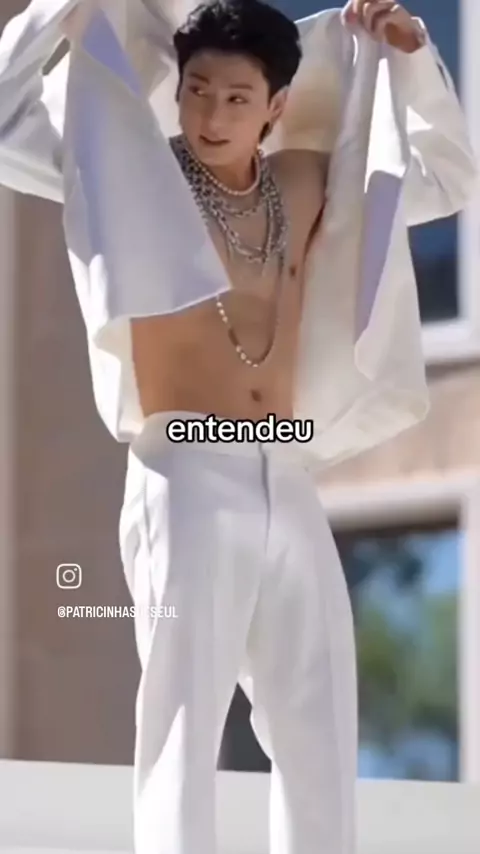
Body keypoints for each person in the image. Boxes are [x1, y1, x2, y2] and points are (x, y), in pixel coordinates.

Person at [0, 1, 476, 854]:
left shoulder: (305, 182)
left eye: (235, 98)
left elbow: (447, 177)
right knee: (184, 717)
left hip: (287, 474)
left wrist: (412, 60)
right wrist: (62, 6)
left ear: (276, 106)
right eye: (196, 90)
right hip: (183, 468)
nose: (211, 115)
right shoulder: (131, 173)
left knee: (320, 723)